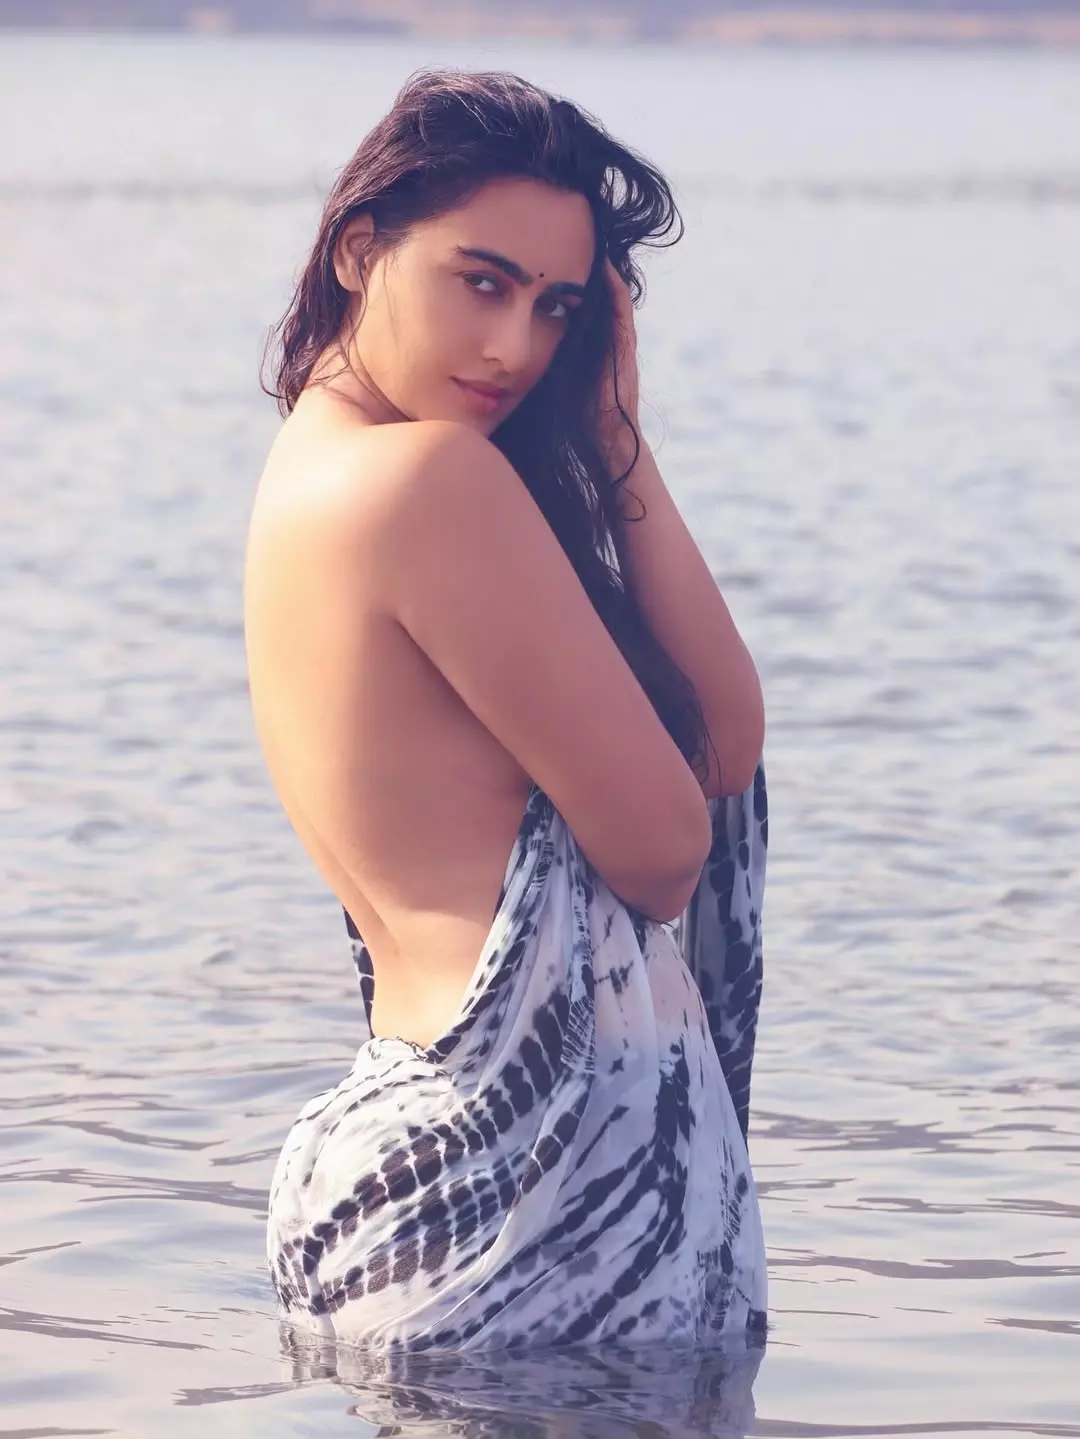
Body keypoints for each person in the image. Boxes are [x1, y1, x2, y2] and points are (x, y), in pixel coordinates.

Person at [244, 67, 768, 1352]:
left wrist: (608, 439)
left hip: (401, 1167)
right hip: (524, 1182)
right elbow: (671, 842)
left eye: (556, 308)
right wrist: (621, 446)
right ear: (359, 247)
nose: (516, 348)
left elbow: (719, 746)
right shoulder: (433, 481)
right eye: (481, 282)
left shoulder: (313, 472)